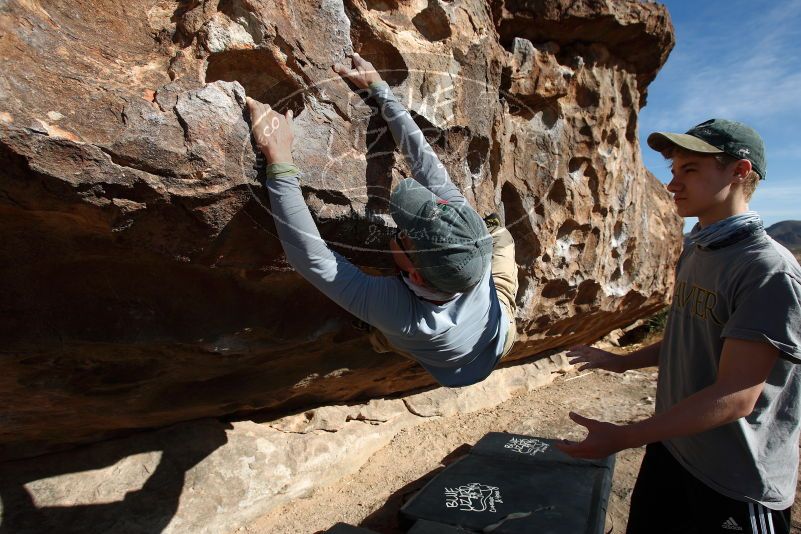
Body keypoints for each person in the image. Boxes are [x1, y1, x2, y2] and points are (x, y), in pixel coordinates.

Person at [557, 118, 801, 533]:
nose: (673, 185)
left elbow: (736, 396)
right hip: (673, 450)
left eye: (690, 170)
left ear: (740, 172)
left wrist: (624, 436)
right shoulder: (699, 250)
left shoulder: (767, 270)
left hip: (735, 482)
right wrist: (622, 362)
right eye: (673, 172)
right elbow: (689, 335)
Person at [245, 53, 518, 387]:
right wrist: (380, 91)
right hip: (498, 324)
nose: (398, 227)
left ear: (416, 273)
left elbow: (312, 259)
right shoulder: (470, 238)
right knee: (498, 236)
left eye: (403, 233)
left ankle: (377, 337)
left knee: (390, 335)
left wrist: (280, 159)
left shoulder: (404, 315)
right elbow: (428, 168)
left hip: (458, 354)